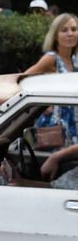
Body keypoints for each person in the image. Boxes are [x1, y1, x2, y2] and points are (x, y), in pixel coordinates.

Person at [23, 12, 78, 143]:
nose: (70, 33)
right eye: (64, 30)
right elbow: (23, 80)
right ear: (55, 36)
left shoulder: (75, 59)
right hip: (54, 126)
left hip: (74, 124)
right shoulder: (51, 58)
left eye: (74, 29)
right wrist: (42, 105)